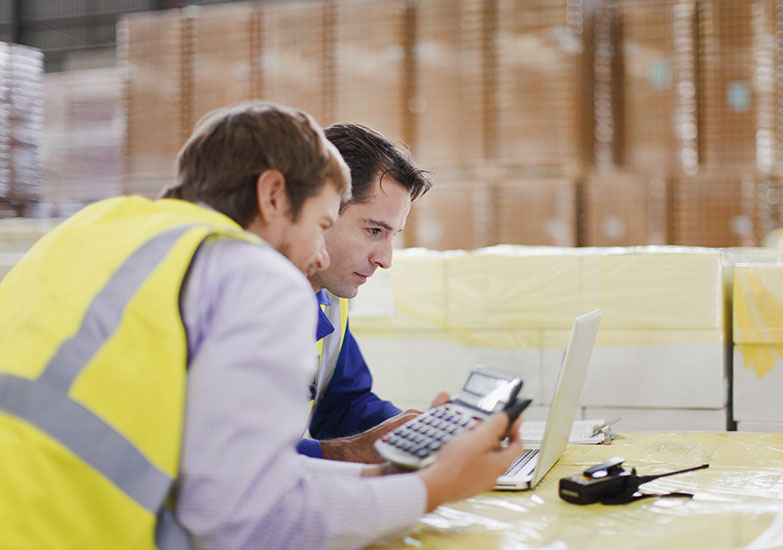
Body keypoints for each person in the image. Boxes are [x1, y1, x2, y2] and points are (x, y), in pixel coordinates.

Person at [0, 102, 522, 549]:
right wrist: (435, 488)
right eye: (321, 224)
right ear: (273, 196)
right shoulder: (249, 269)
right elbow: (241, 521)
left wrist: (377, 473)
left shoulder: (100, 228)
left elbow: (212, 470)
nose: (317, 255)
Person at [297, 123, 441, 463]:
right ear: (319, 212)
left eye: (393, 236)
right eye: (374, 230)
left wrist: (420, 432)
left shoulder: (329, 298)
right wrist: (351, 452)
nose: (385, 259)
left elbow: (344, 406)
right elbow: (229, 456)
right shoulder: (239, 302)